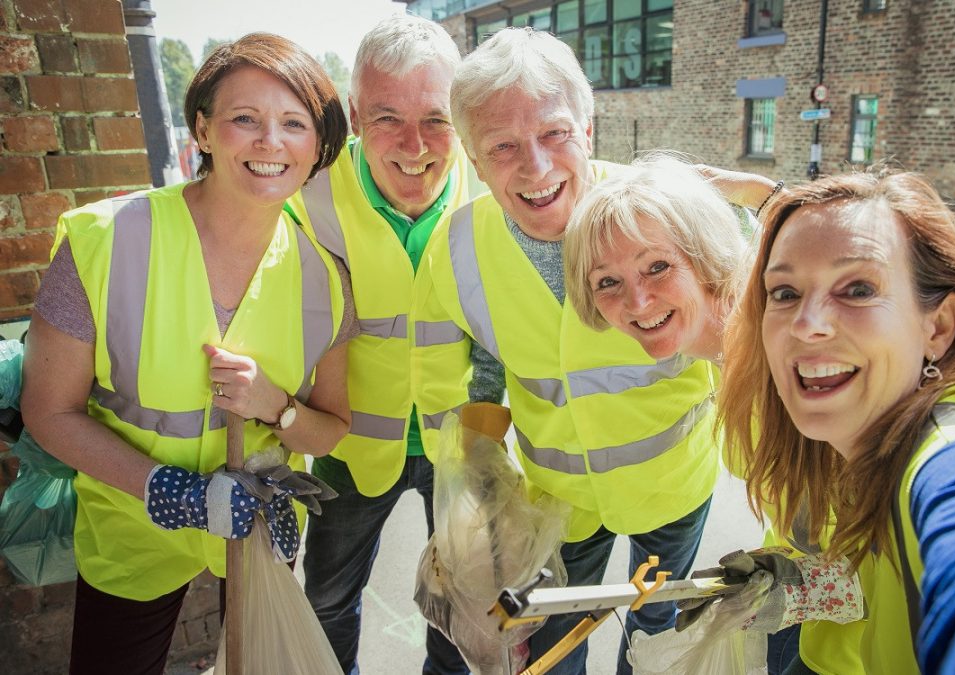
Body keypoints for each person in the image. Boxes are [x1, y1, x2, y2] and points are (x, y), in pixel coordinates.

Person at [412, 27, 778, 675]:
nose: (536, 165)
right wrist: (485, 491)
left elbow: (751, 325)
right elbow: (454, 384)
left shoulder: (662, 210)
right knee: (555, 642)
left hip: (671, 490)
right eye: (502, 145)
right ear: (470, 153)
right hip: (562, 502)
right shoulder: (457, 245)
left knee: (655, 623)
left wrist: (773, 201)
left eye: (554, 133)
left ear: (587, 126)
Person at [21, 34, 353, 674]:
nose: (270, 142)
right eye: (243, 119)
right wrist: (169, 491)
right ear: (202, 128)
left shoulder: (326, 277)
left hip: (260, 521)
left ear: (318, 147)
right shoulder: (106, 242)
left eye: (294, 123)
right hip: (131, 522)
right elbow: (48, 411)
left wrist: (277, 408)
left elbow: (331, 429)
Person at [718, 169, 955, 674]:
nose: (807, 323)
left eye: (859, 289)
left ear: (939, 326)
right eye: (784, 293)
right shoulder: (853, 426)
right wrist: (796, 584)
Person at [563, 156, 865, 675]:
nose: (636, 300)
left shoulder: (789, 351)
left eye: (657, 266)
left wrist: (802, 590)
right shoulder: (721, 359)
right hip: (828, 636)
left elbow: (898, 547)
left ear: (704, 256)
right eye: (607, 282)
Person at [283, 15, 472, 675]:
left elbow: (590, 175)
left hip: (460, 445)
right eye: (388, 116)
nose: (415, 144)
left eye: (437, 118)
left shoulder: (497, 181)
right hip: (348, 443)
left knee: (461, 605)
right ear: (356, 114)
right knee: (328, 596)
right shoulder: (307, 192)